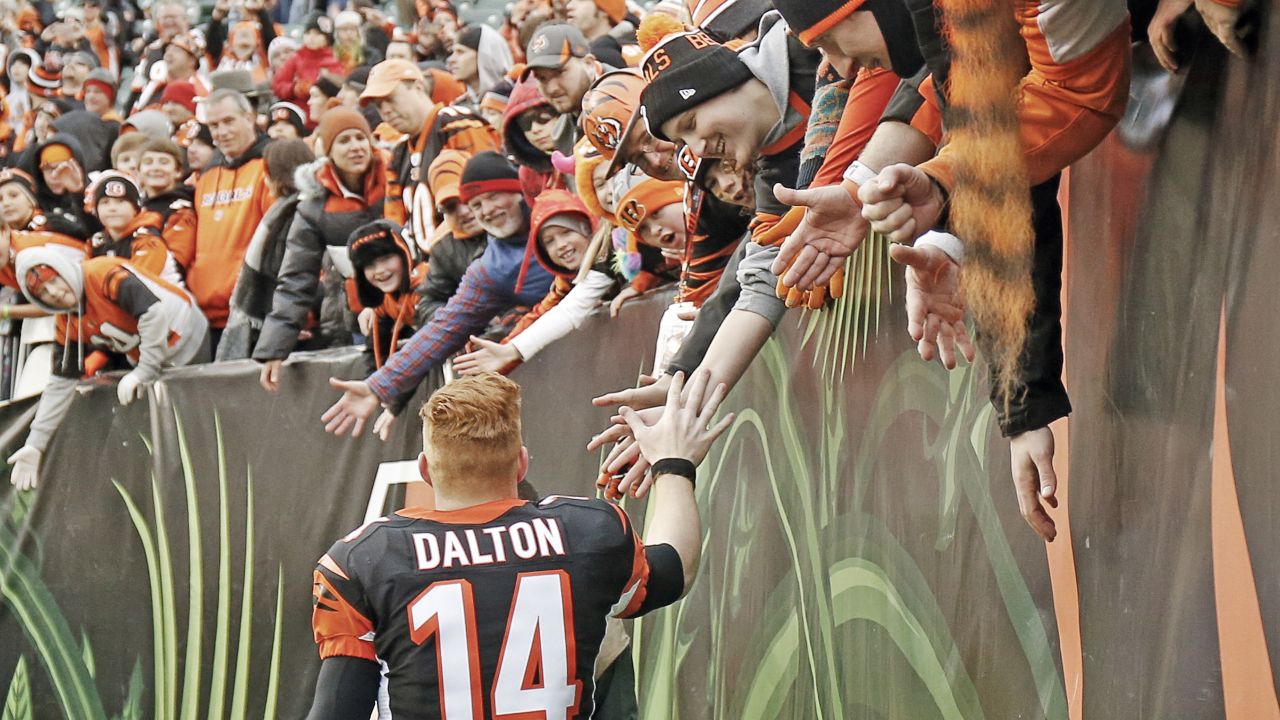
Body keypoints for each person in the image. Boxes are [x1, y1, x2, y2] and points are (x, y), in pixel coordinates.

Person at [305, 369, 730, 719]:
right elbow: (675, 569)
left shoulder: (363, 560)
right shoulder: (589, 533)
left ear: (425, 471)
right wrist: (673, 464)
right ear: (522, 461)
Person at [322, 152, 554, 436]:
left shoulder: (556, 205)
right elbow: (442, 329)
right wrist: (378, 385)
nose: (486, 210)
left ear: (517, 190)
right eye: (476, 204)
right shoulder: (490, 269)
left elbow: (594, 273)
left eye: (494, 197)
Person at [6, 247, 209, 491]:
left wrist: (144, 370)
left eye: (54, 281)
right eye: (44, 293)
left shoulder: (103, 274)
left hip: (186, 336)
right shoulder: (66, 321)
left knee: (197, 420)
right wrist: (36, 443)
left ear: (63, 270)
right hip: (147, 356)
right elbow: (61, 382)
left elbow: (153, 313)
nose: (55, 293)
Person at [255, 109, 396, 390]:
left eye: (361, 138)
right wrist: (274, 347)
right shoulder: (314, 207)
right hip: (364, 321)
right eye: (344, 141)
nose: (356, 146)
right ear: (328, 151)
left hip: (414, 311)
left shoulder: (397, 178)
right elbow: (296, 277)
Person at [454, 188, 621, 375]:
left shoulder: (614, 249)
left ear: (588, 229)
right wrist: (507, 354)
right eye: (549, 241)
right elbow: (550, 315)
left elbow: (570, 310)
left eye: (566, 232)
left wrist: (639, 283)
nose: (561, 245)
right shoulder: (562, 287)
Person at [357, 59, 497, 249]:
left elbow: (490, 195)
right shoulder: (399, 153)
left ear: (418, 86)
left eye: (390, 99)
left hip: (473, 253)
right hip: (430, 266)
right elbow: (395, 221)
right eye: (379, 106)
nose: (386, 111)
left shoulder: (456, 124)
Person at [218, 138, 316, 361]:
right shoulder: (289, 211)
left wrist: (293, 320)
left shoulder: (290, 215)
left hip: (299, 330)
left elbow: (291, 273)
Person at [188, 88, 273, 345]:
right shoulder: (208, 174)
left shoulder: (269, 165)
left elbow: (281, 243)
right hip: (206, 316)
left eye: (228, 121)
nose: (221, 132)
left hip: (254, 314)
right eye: (214, 125)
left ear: (249, 117)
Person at [346, 220, 428, 370]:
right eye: (370, 265)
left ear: (406, 254)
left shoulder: (428, 286)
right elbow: (376, 360)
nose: (379, 271)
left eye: (385, 259)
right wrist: (371, 390)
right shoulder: (383, 302)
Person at [418, 149, 485, 322]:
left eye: (466, 198)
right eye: (450, 206)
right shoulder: (443, 246)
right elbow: (427, 304)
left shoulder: (513, 219)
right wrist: (470, 316)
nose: (463, 211)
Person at [86, 171, 184, 286]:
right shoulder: (96, 242)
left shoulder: (148, 241)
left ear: (135, 209)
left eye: (120, 202)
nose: (112, 208)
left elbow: (138, 287)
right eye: (105, 202)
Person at [136, 136, 197, 275]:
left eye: (164, 162)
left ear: (178, 171)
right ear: (138, 172)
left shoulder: (181, 209)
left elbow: (177, 262)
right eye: (148, 162)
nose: (156, 168)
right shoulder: (135, 209)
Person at [272, 12, 343, 107]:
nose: (311, 38)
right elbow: (278, 85)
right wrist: (294, 88)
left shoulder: (334, 61)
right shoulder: (295, 58)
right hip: (299, 112)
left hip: (325, 111)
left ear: (327, 38)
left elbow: (339, 90)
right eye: (308, 33)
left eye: (317, 34)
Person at [446, 24, 513, 110]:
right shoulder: (459, 106)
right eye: (453, 52)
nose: (451, 60)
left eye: (461, 52)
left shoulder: (511, 101)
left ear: (485, 57)